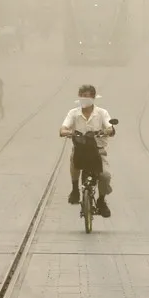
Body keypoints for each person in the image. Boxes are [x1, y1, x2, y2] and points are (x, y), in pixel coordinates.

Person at [59, 85, 116, 218]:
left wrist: (106, 131)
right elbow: (63, 129)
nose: (85, 99)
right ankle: (75, 189)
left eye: (88, 96)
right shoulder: (73, 113)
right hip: (80, 150)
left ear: (93, 97)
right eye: (82, 96)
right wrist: (69, 131)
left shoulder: (102, 113)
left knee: (105, 176)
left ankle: (101, 200)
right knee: (74, 162)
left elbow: (110, 128)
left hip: (98, 151)